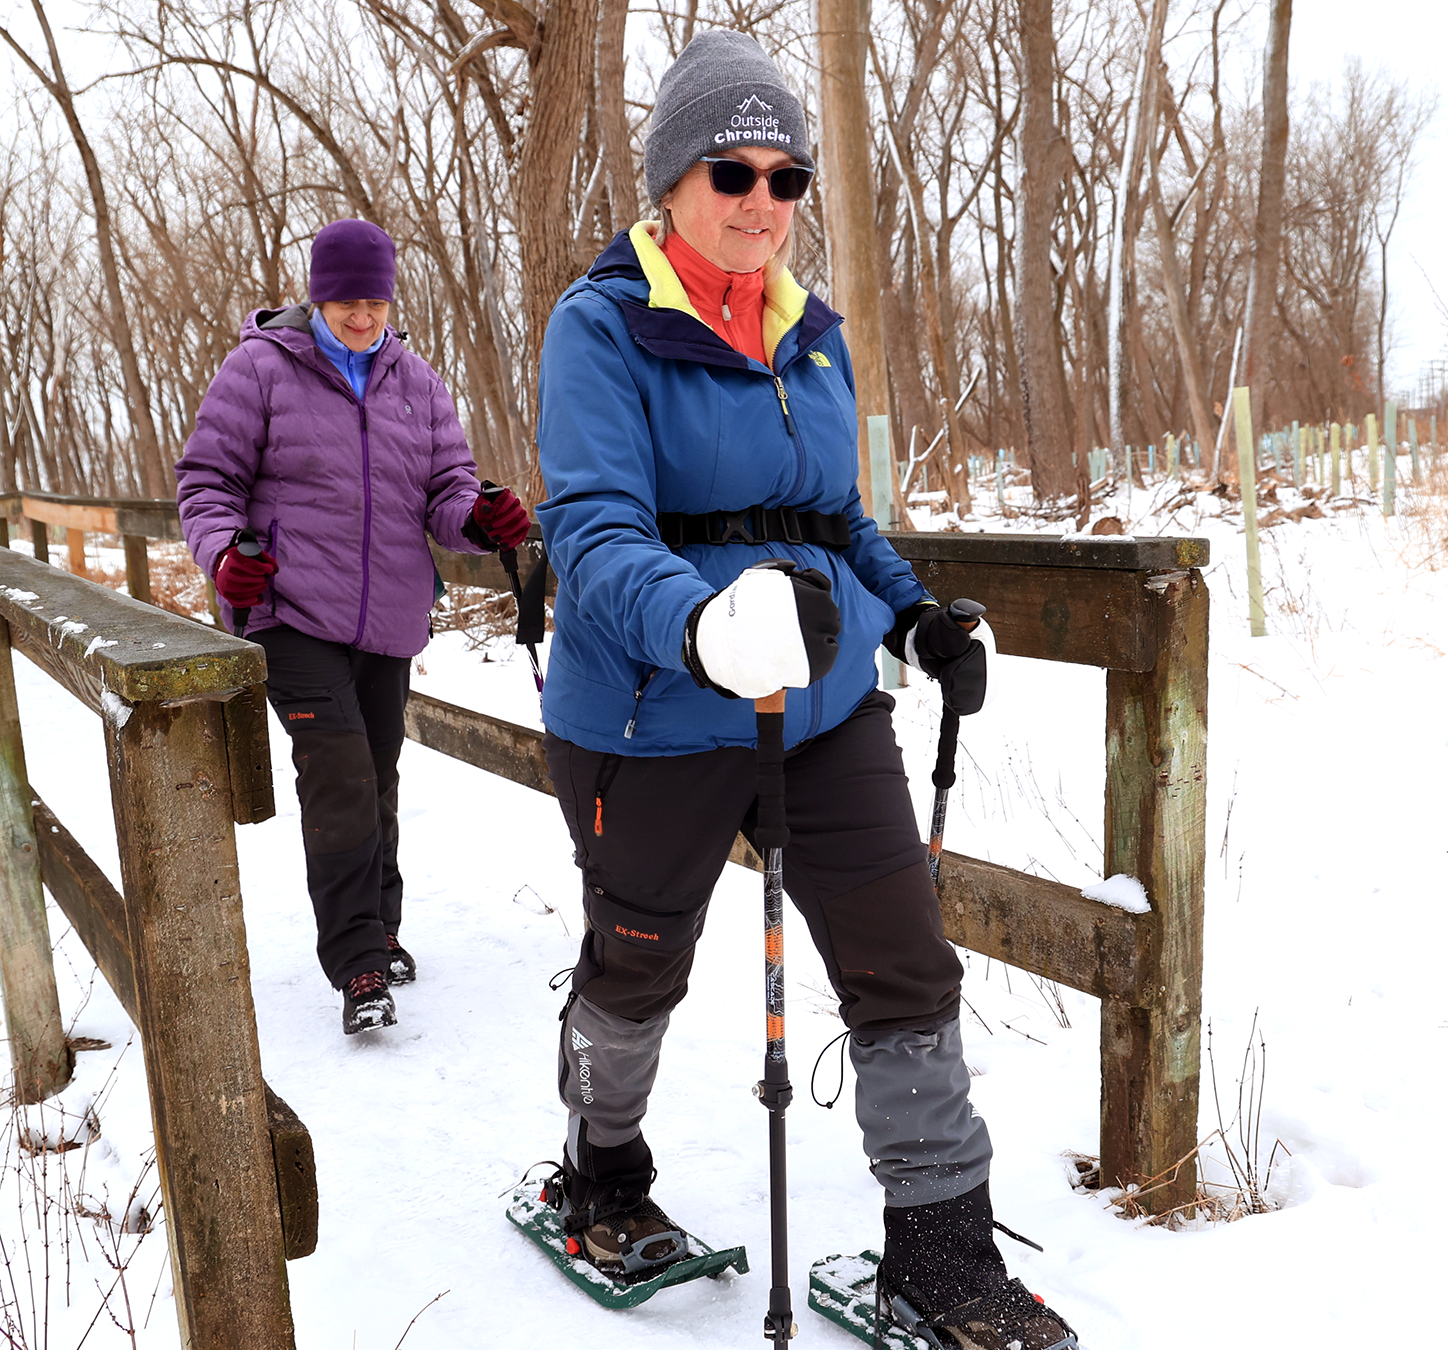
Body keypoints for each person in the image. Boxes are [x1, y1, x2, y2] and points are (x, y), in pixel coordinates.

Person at [528, 32, 1075, 1350]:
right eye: (732, 169)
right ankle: (601, 1166)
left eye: (788, 178)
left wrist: (918, 611)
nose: (761, 201)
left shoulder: (810, 338)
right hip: (654, 716)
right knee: (637, 962)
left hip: (825, 713)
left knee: (905, 964)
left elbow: (837, 522)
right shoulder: (601, 326)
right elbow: (597, 536)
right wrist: (705, 625)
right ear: (672, 181)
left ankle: (939, 1249)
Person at [176, 219, 529, 1036]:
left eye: (375, 300)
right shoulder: (260, 369)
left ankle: (383, 923)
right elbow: (206, 480)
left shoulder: (417, 383)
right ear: (317, 294)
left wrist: (479, 516)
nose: (362, 317)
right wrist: (225, 552)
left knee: (375, 772)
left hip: (389, 614)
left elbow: (445, 488)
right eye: (346, 301)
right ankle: (357, 960)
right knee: (337, 772)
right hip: (289, 610)